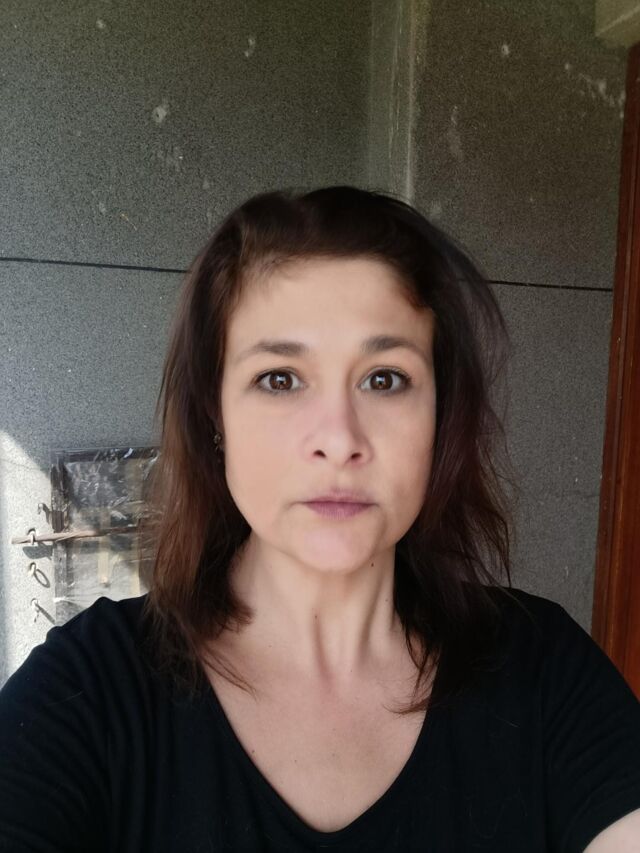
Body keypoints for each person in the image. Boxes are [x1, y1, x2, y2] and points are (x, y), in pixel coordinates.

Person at [1, 185, 639, 852]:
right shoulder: (86, 694)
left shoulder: (543, 670)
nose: (339, 439)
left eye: (385, 378)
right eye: (279, 378)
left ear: (440, 415)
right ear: (215, 415)